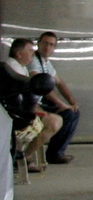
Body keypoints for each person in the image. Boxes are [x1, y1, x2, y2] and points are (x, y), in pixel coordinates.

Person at [2, 39, 54, 173]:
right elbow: (17, 96)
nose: (33, 53)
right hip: (14, 113)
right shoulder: (11, 68)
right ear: (19, 54)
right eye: (30, 50)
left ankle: (24, 155)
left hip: (23, 110)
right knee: (53, 122)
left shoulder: (21, 67)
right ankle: (24, 156)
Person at [30, 31, 78, 164]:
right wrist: (62, 104)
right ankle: (49, 154)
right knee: (66, 113)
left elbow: (60, 83)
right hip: (33, 104)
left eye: (51, 45)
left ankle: (56, 152)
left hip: (40, 102)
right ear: (38, 44)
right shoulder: (33, 60)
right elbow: (41, 86)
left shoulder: (46, 63)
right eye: (45, 43)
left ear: (55, 48)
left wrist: (72, 102)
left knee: (72, 112)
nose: (48, 47)